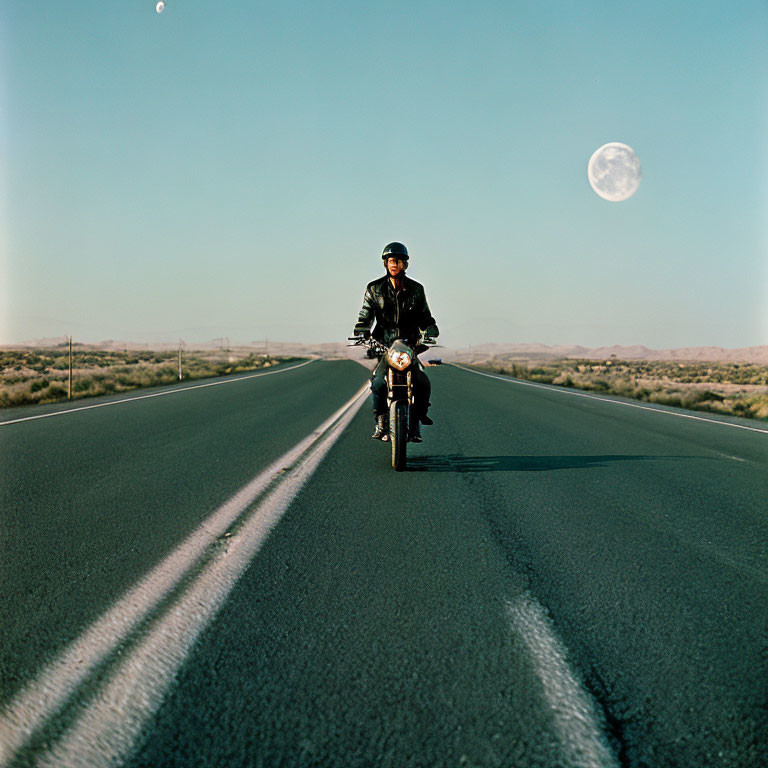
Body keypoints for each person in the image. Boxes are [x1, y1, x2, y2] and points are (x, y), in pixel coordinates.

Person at [353, 242, 439, 443]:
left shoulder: (417, 290)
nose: (394, 264)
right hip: (384, 346)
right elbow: (365, 315)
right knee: (379, 382)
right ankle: (382, 419)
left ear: (405, 264)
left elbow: (426, 317)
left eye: (398, 261)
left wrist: (431, 330)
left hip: (409, 345)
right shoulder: (374, 289)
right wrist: (361, 331)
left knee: (421, 381)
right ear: (386, 263)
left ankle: (417, 420)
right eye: (391, 260)